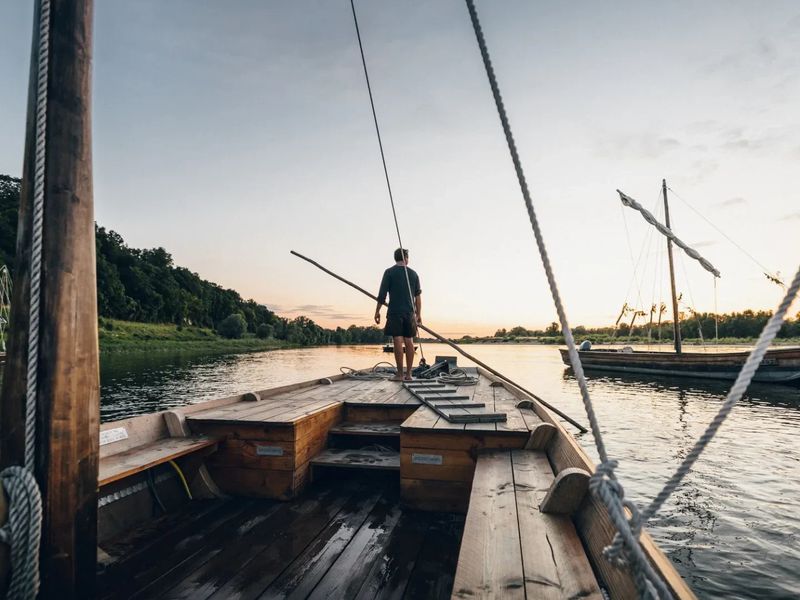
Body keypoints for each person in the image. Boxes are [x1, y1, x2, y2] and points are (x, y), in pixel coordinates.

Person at [374, 248, 422, 382]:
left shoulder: (389, 272)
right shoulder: (414, 274)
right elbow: (417, 297)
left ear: (396, 258)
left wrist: (377, 311)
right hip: (410, 313)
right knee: (409, 341)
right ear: (406, 257)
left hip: (395, 312)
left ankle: (400, 375)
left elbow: (382, 295)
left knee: (397, 341)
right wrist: (418, 315)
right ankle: (409, 375)